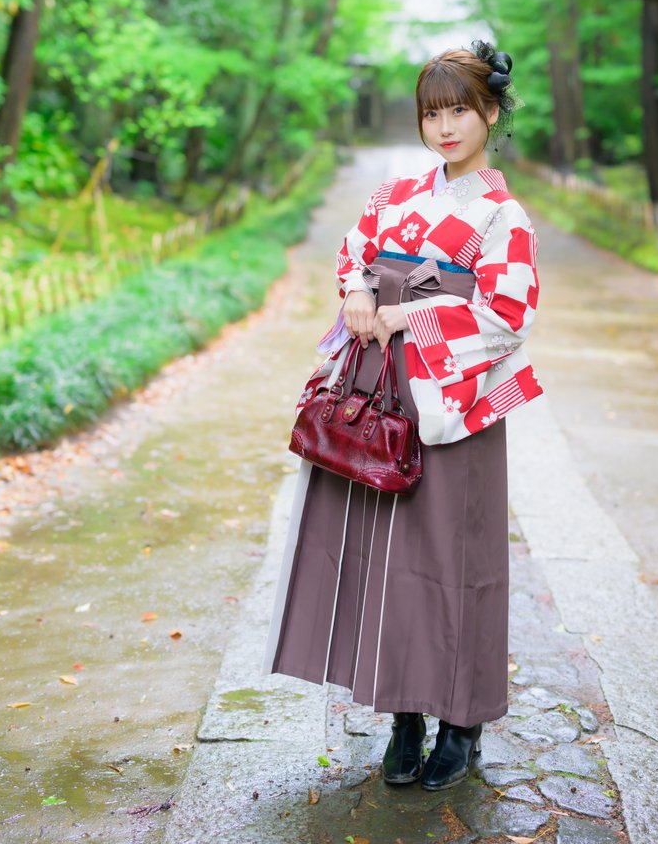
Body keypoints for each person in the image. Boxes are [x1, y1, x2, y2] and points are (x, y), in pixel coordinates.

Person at [263, 40, 543, 791]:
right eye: (432, 113)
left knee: (454, 559)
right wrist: (356, 291)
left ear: (490, 114)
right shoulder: (395, 195)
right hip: (380, 389)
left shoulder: (502, 215)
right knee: (384, 555)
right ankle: (403, 715)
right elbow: (356, 250)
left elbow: (507, 318)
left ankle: (462, 719)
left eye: (459, 110)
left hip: (453, 401)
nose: (445, 126)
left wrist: (409, 318)